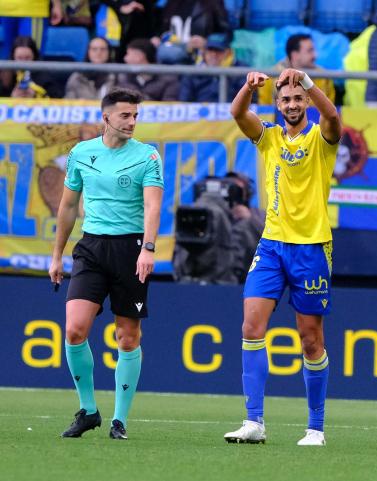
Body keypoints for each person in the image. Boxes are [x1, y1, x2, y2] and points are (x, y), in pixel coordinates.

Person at [224, 67, 341, 446]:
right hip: (272, 245)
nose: (292, 104)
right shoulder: (269, 137)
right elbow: (239, 114)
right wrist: (248, 87)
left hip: (311, 249)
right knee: (251, 328)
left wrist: (307, 80)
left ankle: (316, 427)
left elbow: (334, 117)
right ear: (277, 105)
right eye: (285, 99)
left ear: (306, 101)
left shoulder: (321, 138)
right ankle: (254, 421)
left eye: (297, 99)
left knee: (310, 340)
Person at [48, 87, 164, 440]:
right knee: (74, 330)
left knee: (127, 338)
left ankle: (119, 420)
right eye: (126, 115)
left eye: (135, 116)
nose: (132, 122)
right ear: (106, 117)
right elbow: (68, 207)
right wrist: (56, 255)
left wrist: (148, 248)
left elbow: (153, 206)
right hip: (92, 248)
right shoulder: (81, 153)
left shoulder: (147, 156)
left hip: (131, 250)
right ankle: (88, 410)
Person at [258, 34, 336, 106]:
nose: (315, 55)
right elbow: (264, 110)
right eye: (310, 51)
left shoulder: (324, 76)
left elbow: (330, 111)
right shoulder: (269, 77)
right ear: (294, 55)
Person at [178, 32, 247, 102]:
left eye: (219, 50)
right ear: (204, 52)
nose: (214, 54)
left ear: (228, 52)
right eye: (210, 49)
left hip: (232, 112)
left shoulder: (240, 71)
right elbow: (184, 101)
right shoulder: (192, 72)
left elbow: (249, 102)